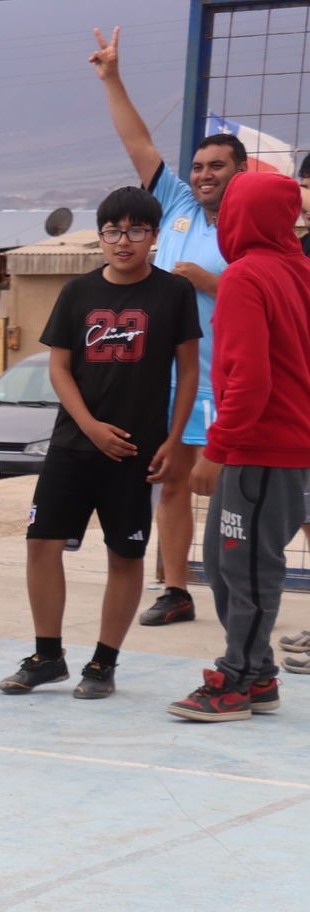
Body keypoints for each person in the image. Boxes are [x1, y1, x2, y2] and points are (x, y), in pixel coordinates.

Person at [0, 187, 200, 701]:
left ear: (154, 236)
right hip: (73, 444)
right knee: (41, 543)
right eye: (113, 231)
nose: (123, 241)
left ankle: (103, 663)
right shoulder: (78, 291)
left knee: (125, 555)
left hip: (136, 450)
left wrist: (174, 440)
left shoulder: (173, 292)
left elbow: (189, 371)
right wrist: (89, 425)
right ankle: (47, 656)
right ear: (101, 236)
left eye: (136, 230)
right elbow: (60, 368)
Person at [92, 25, 245, 628]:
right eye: (199, 166)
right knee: (172, 483)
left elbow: (274, 294)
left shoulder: (254, 224)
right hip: (172, 379)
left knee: (251, 490)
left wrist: (210, 283)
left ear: (241, 171)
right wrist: (111, 77)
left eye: (218, 166)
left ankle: (244, 591)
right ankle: (177, 589)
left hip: (228, 382)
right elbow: (138, 142)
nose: (205, 174)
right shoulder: (177, 204)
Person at [170, 174, 310, 721]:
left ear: (240, 217)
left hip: (260, 447)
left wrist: (217, 449)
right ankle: (258, 673)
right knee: (225, 560)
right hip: (276, 446)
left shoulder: (246, 276)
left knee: (248, 566)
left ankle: (237, 679)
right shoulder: (298, 270)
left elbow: (250, 379)